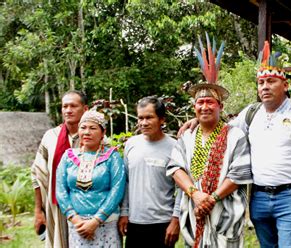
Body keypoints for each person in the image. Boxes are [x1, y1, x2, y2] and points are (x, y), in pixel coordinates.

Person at [179, 41, 291, 247]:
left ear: (285, 85)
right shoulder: (251, 113)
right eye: (261, 82)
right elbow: (222, 128)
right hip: (259, 197)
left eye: (271, 81)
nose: (265, 87)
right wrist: (198, 119)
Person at [167, 36, 253, 247]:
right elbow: (176, 168)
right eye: (200, 102)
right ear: (194, 107)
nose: (204, 107)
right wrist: (195, 195)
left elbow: (238, 174)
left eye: (210, 102)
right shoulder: (187, 137)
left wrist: (211, 199)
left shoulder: (235, 136)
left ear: (220, 107)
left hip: (225, 215)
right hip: (194, 213)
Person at [56, 110, 126, 247]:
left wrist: (96, 221)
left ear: (103, 132)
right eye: (83, 127)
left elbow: (117, 190)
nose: (87, 132)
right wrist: (75, 219)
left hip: (106, 224)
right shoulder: (68, 156)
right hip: (77, 225)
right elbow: (60, 189)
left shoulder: (112, 157)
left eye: (93, 128)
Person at [118, 96, 180, 247]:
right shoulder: (131, 144)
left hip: (163, 223)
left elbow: (182, 188)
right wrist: (124, 212)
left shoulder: (175, 147)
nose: (143, 123)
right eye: (140, 118)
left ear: (162, 120)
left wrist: (176, 219)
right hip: (134, 222)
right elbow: (125, 181)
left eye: (149, 117)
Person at [31, 90, 88, 247]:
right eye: (65, 106)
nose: (68, 110)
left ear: (85, 109)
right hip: (57, 209)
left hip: (88, 209)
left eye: (73, 106)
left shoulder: (96, 137)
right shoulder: (51, 137)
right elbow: (37, 175)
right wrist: (38, 211)